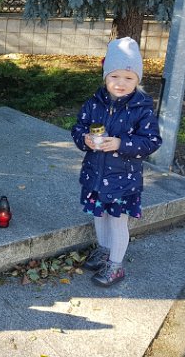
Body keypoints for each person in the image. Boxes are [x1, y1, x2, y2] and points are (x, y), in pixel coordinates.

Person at [71, 37, 162, 287]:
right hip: (96, 175)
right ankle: (104, 250)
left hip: (123, 180)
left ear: (138, 80)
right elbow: (78, 128)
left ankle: (116, 264)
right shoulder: (94, 103)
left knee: (118, 220)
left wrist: (121, 144)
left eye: (129, 78)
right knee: (99, 215)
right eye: (114, 76)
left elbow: (152, 141)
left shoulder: (142, 109)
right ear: (105, 77)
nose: (121, 83)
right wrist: (85, 139)